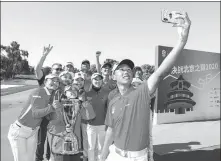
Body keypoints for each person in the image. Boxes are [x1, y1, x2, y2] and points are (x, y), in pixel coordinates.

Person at [100, 12, 191, 161]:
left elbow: (160, 73)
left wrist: (181, 41)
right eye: (121, 69)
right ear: (113, 76)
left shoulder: (141, 92)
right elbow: (110, 129)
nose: (126, 72)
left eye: (129, 69)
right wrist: (103, 155)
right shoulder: (113, 98)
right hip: (115, 155)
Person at [8, 74, 61, 161]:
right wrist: (52, 108)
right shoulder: (39, 92)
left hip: (33, 132)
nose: (55, 83)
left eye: (57, 81)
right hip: (19, 131)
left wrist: (56, 110)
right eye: (52, 80)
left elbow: (50, 116)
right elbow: (35, 114)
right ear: (45, 82)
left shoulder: (52, 96)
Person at [47, 85, 83, 161]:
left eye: (75, 90)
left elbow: (90, 118)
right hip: (61, 146)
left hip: (76, 147)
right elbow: (51, 127)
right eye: (70, 90)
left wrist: (85, 103)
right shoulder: (58, 106)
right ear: (65, 93)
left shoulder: (80, 107)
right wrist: (64, 130)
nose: (73, 91)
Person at [34, 45, 53, 161]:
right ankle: (39, 159)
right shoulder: (43, 80)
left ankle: (49, 157)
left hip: (52, 114)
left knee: (51, 141)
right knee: (41, 140)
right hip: (42, 114)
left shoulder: (56, 81)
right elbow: (37, 68)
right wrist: (44, 56)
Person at [86, 73, 111, 161]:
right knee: (91, 147)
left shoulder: (107, 92)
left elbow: (109, 109)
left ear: (102, 81)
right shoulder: (87, 93)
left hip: (103, 125)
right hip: (90, 125)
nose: (97, 81)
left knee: (102, 147)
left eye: (99, 79)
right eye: (95, 79)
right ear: (92, 81)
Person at [80, 59, 92, 161]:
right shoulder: (77, 76)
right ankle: (85, 155)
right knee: (83, 134)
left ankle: (90, 155)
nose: (85, 67)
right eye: (83, 65)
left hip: (89, 108)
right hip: (79, 109)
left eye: (86, 65)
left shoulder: (91, 77)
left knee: (89, 133)